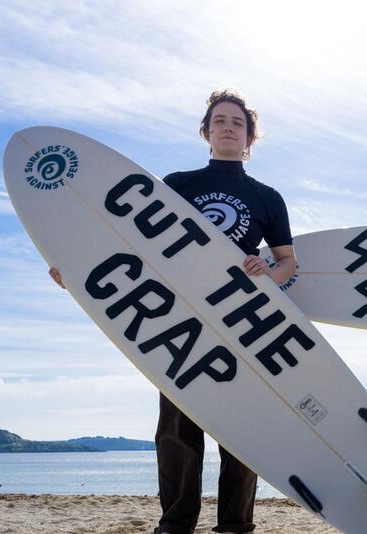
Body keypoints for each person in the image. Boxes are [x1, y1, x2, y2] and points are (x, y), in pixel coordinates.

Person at [50, 89, 295, 534]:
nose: (227, 127)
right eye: (219, 121)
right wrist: (77, 267)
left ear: (249, 138)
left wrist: (269, 272)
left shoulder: (267, 197)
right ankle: (176, 522)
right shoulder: (178, 185)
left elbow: (288, 262)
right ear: (205, 132)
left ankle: (236, 525)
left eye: (237, 123)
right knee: (177, 428)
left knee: (242, 430)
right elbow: (127, 239)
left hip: (239, 320)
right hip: (179, 319)